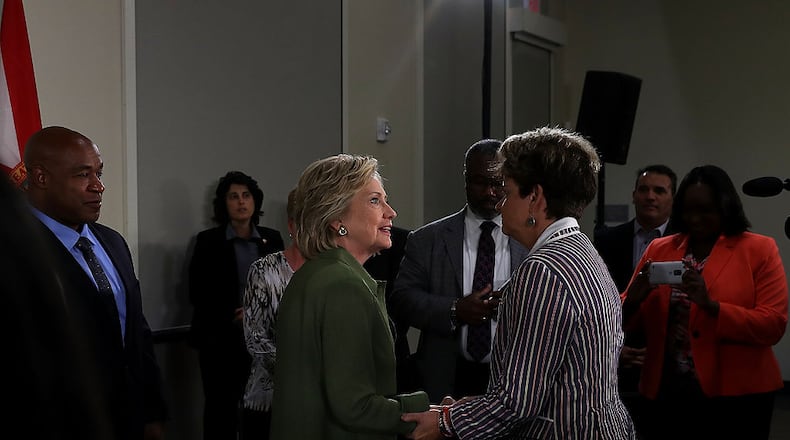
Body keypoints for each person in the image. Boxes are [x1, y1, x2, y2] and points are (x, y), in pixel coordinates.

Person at [403, 126, 634, 439]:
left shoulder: (543, 269)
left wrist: (446, 423)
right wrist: (460, 410)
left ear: (534, 198)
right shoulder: (580, 247)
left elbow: (516, 403)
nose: (499, 204)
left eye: (508, 191)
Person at [621, 165, 788, 440]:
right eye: (688, 210)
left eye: (705, 210)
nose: (694, 219)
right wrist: (634, 299)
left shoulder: (759, 249)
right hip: (668, 392)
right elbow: (626, 317)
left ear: (725, 207)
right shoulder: (660, 248)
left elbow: (773, 325)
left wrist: (712, 307)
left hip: (738, 396)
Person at [22, 126, 167, 440]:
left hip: (128, 422)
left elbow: (137, 333)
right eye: (82, 175)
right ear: (41, 178)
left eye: (99, 173)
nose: (98, 187)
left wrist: (152, 413)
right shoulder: (16, 252)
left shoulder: (112, 242)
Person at [270, 154, 428, 440]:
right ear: (336, 217)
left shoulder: (319, 274)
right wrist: (429, 411)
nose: (391, 212)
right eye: (375, 201)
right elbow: (354, 406)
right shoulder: (342, 284)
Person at [390, 139, 529, 403]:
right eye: (480, 182)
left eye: (498, 183)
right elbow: (402, 299)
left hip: (511, 380)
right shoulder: (427, 239)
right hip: (446, 378)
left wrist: (514, 306)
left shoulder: (532, 240)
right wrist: (455, 309)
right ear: (466, 180)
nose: (490, 192)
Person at [188, 171, 284, 440]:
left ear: (255, 201)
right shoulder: (208, 241)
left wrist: (257, 315)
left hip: (264, 340)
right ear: (223, 203)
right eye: (233, 197)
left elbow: (283, 286)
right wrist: (236, 315)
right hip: (220, 339)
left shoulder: (271, 239)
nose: (241, 202)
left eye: (246, 195)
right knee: (221, 410)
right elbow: (198, 292)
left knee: (262, 410)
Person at [593, 164, 676, 434]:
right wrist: (615, 351)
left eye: (659, 190)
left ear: (672, 197)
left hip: (670, 364)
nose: (650, 196)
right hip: (618, 359)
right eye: (644, 189)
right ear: (633, 195)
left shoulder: (686, 241)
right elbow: (599, 301)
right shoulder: (606, 240)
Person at [241, 189, 305, 439]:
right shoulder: (264, 270)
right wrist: (300, 372)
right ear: (292, 225)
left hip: (316, 405)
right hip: (267, 401)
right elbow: (255, 338)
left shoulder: (329, 270)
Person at [363, 225, 419, 393]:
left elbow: (404, 302)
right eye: (374, 200)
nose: (391, 212)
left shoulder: (403, 240)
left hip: (392, 360)